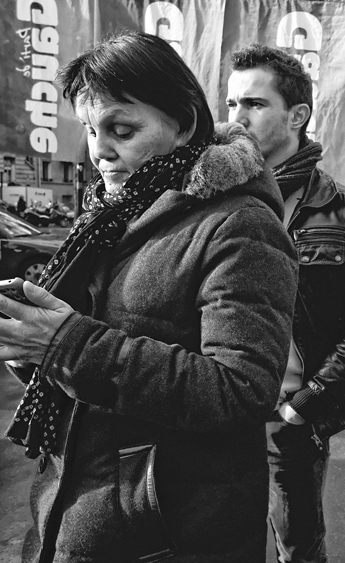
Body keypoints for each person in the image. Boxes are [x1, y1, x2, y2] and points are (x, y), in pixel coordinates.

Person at [3, 31, 298, 562]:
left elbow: (241, 389)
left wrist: (66, 344)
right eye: (91, 130)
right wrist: (29, 341)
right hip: (71, 510)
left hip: (168, 530)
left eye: (121, 129)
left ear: (183, 123)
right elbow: (81, 367)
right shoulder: (111, 216)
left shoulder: (239, 224)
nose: (100, 151)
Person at [226, 44, 345, 563]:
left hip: (288, 422)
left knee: (297, 548)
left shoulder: (344, 211)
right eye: (231, 104)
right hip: (218, 412)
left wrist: (308, 403)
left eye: (253, 104)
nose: (236, 118)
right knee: (219, 543)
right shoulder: (212, 198)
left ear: (297, 115)